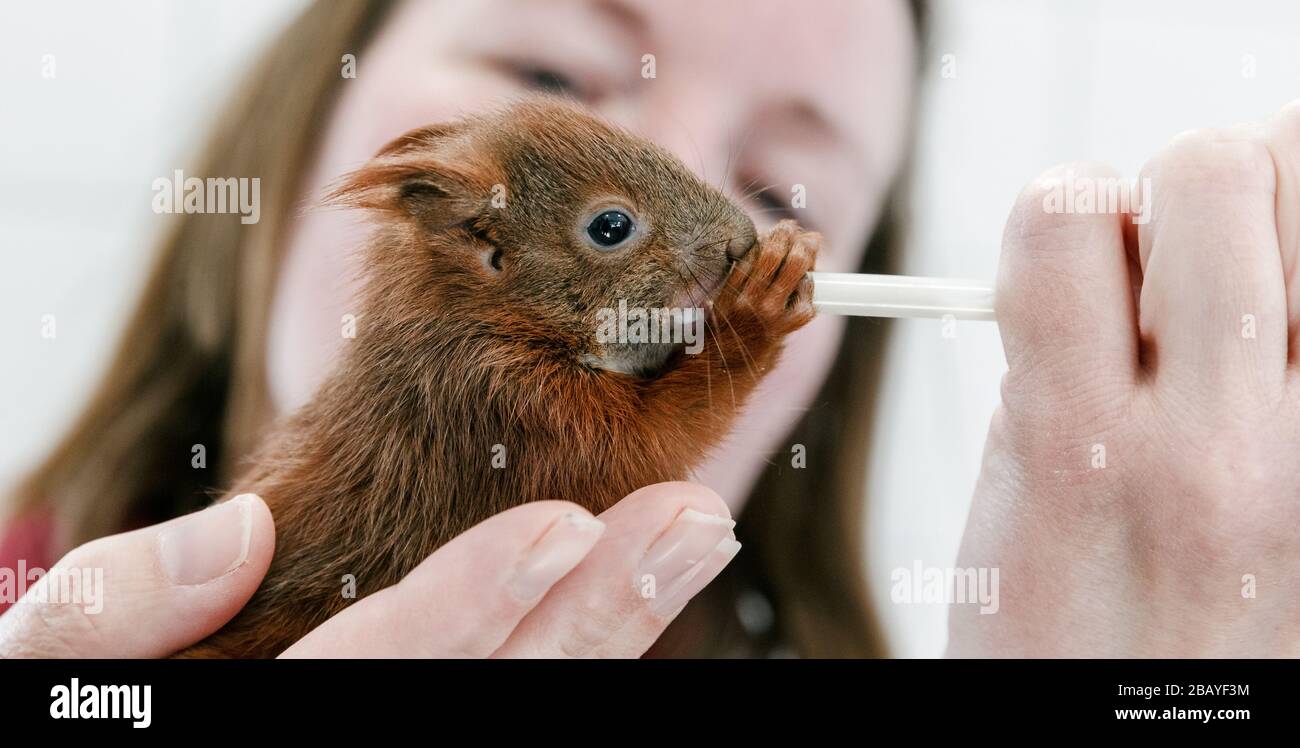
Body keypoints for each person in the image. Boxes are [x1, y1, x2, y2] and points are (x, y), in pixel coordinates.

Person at [0, 0, 922, 657]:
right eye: (552, 73)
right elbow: (602, 470)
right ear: (473, 238)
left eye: (779, 185)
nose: (733, 231)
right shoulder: (488, 377)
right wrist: (742, 340)